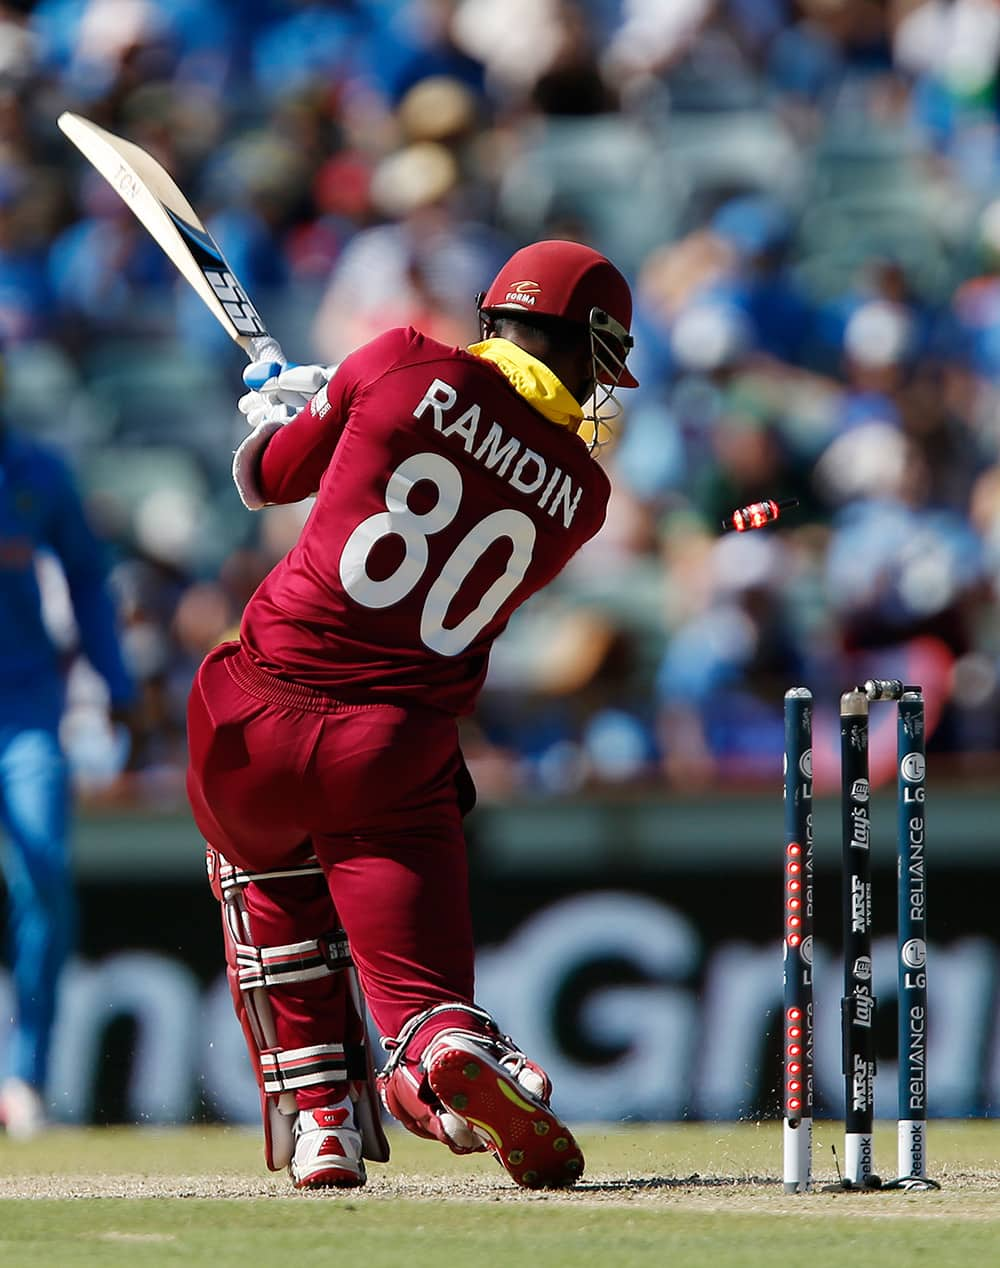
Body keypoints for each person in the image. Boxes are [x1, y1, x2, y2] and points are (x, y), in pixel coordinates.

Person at [186, 239, 637, 1191]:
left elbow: (273, 479)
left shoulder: (392, 359)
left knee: (264, 868)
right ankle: (439, 1052)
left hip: (254, 712)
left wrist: (294, 411)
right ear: (582, 345)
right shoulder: (583, 498)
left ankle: (321, 1125)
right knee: (419, 993)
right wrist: (333, 407)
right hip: (391, 744)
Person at [0, 392, 134, 1139]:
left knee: (44, 876)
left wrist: (114, 684)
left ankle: (26, 1079)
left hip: (23, 709)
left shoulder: (35, 470)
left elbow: (86, 577)